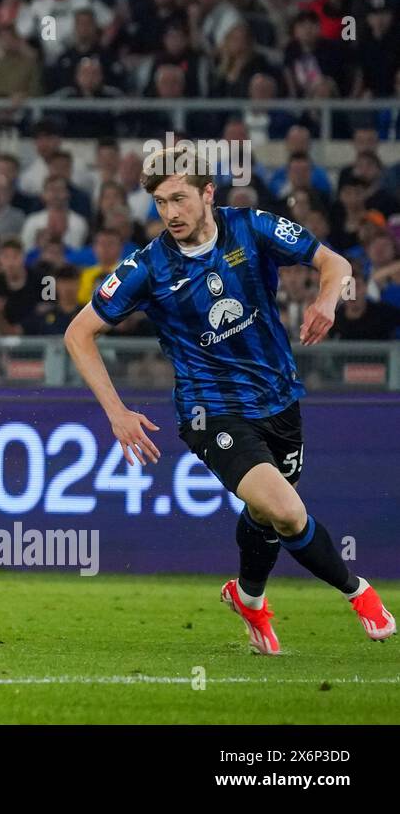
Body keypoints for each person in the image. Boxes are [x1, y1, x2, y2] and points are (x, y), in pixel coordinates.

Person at [64, 149, 395, 655]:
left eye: (179, 198)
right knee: (285, 510)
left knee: (265, 516)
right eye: (159, 202)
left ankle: (248, 598)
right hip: (210, 411)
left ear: (207, 193)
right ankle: (359, 592)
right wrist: (117, 411)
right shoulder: (147, 267)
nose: (170, 212)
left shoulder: (251, 227)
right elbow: (78, 333)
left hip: (280, 400)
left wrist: (327, 300)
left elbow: (335, 262)